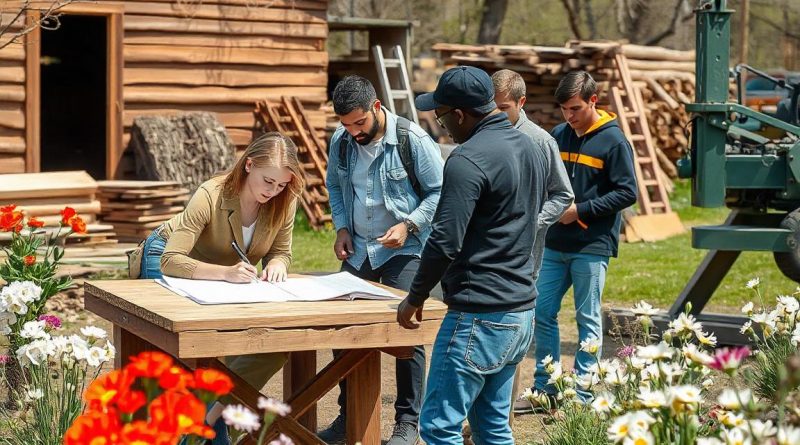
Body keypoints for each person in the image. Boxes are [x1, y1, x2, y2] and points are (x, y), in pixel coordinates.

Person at [397, 65, 548, 444]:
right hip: (520, 309)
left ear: (460, 114)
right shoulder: (528, 146)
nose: (441, 126)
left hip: (478, 314)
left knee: (437, 427)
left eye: (441, 116)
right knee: (493, 428)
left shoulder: (466, 160)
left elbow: (445, 241)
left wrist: (414, 297)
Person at [139, 132, 304, 444]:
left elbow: (281, 252)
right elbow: (171, 260)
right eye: (268, 181)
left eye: (281, 184)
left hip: (228, 275)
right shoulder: (211, 194)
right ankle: (203, 433)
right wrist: (225, 274)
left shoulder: (285, 199)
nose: (274, 191)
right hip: (169, 256)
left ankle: (208, 419)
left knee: (273, 347)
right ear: (249, 165)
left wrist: (278, 264)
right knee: (193, 347)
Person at [323, 75, 444, 445]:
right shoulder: (342, 142)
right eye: (345, 124)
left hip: (405, 250)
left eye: (359, 123)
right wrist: (342, 227)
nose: (353, 132)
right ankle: (349, 416)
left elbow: (441, 192)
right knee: (342, 329)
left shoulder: (413, 140)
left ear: (377, 107)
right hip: (359, 249)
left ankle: (408, 422)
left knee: (406, 328)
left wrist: (409, 225)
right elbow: (334, 187)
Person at [521, 71, 638, 410]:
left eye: (575, 109)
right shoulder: (558, 135)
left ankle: (583, 395)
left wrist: (581, 210)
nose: (569, 116)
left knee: (587, 318)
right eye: (563, 109)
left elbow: (627, 192)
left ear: (593, 101)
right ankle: (547, 389)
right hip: (555, 243)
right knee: (540, 311)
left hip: (592, 245)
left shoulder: (614, 141)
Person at [491, 69, 574, 282]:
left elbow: (563, 194)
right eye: (492, 107)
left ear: (521, 102)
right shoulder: (481, 135)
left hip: (522, 260)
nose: (497, 114)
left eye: (504, 108)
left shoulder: (540, 142)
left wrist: (532, 223)